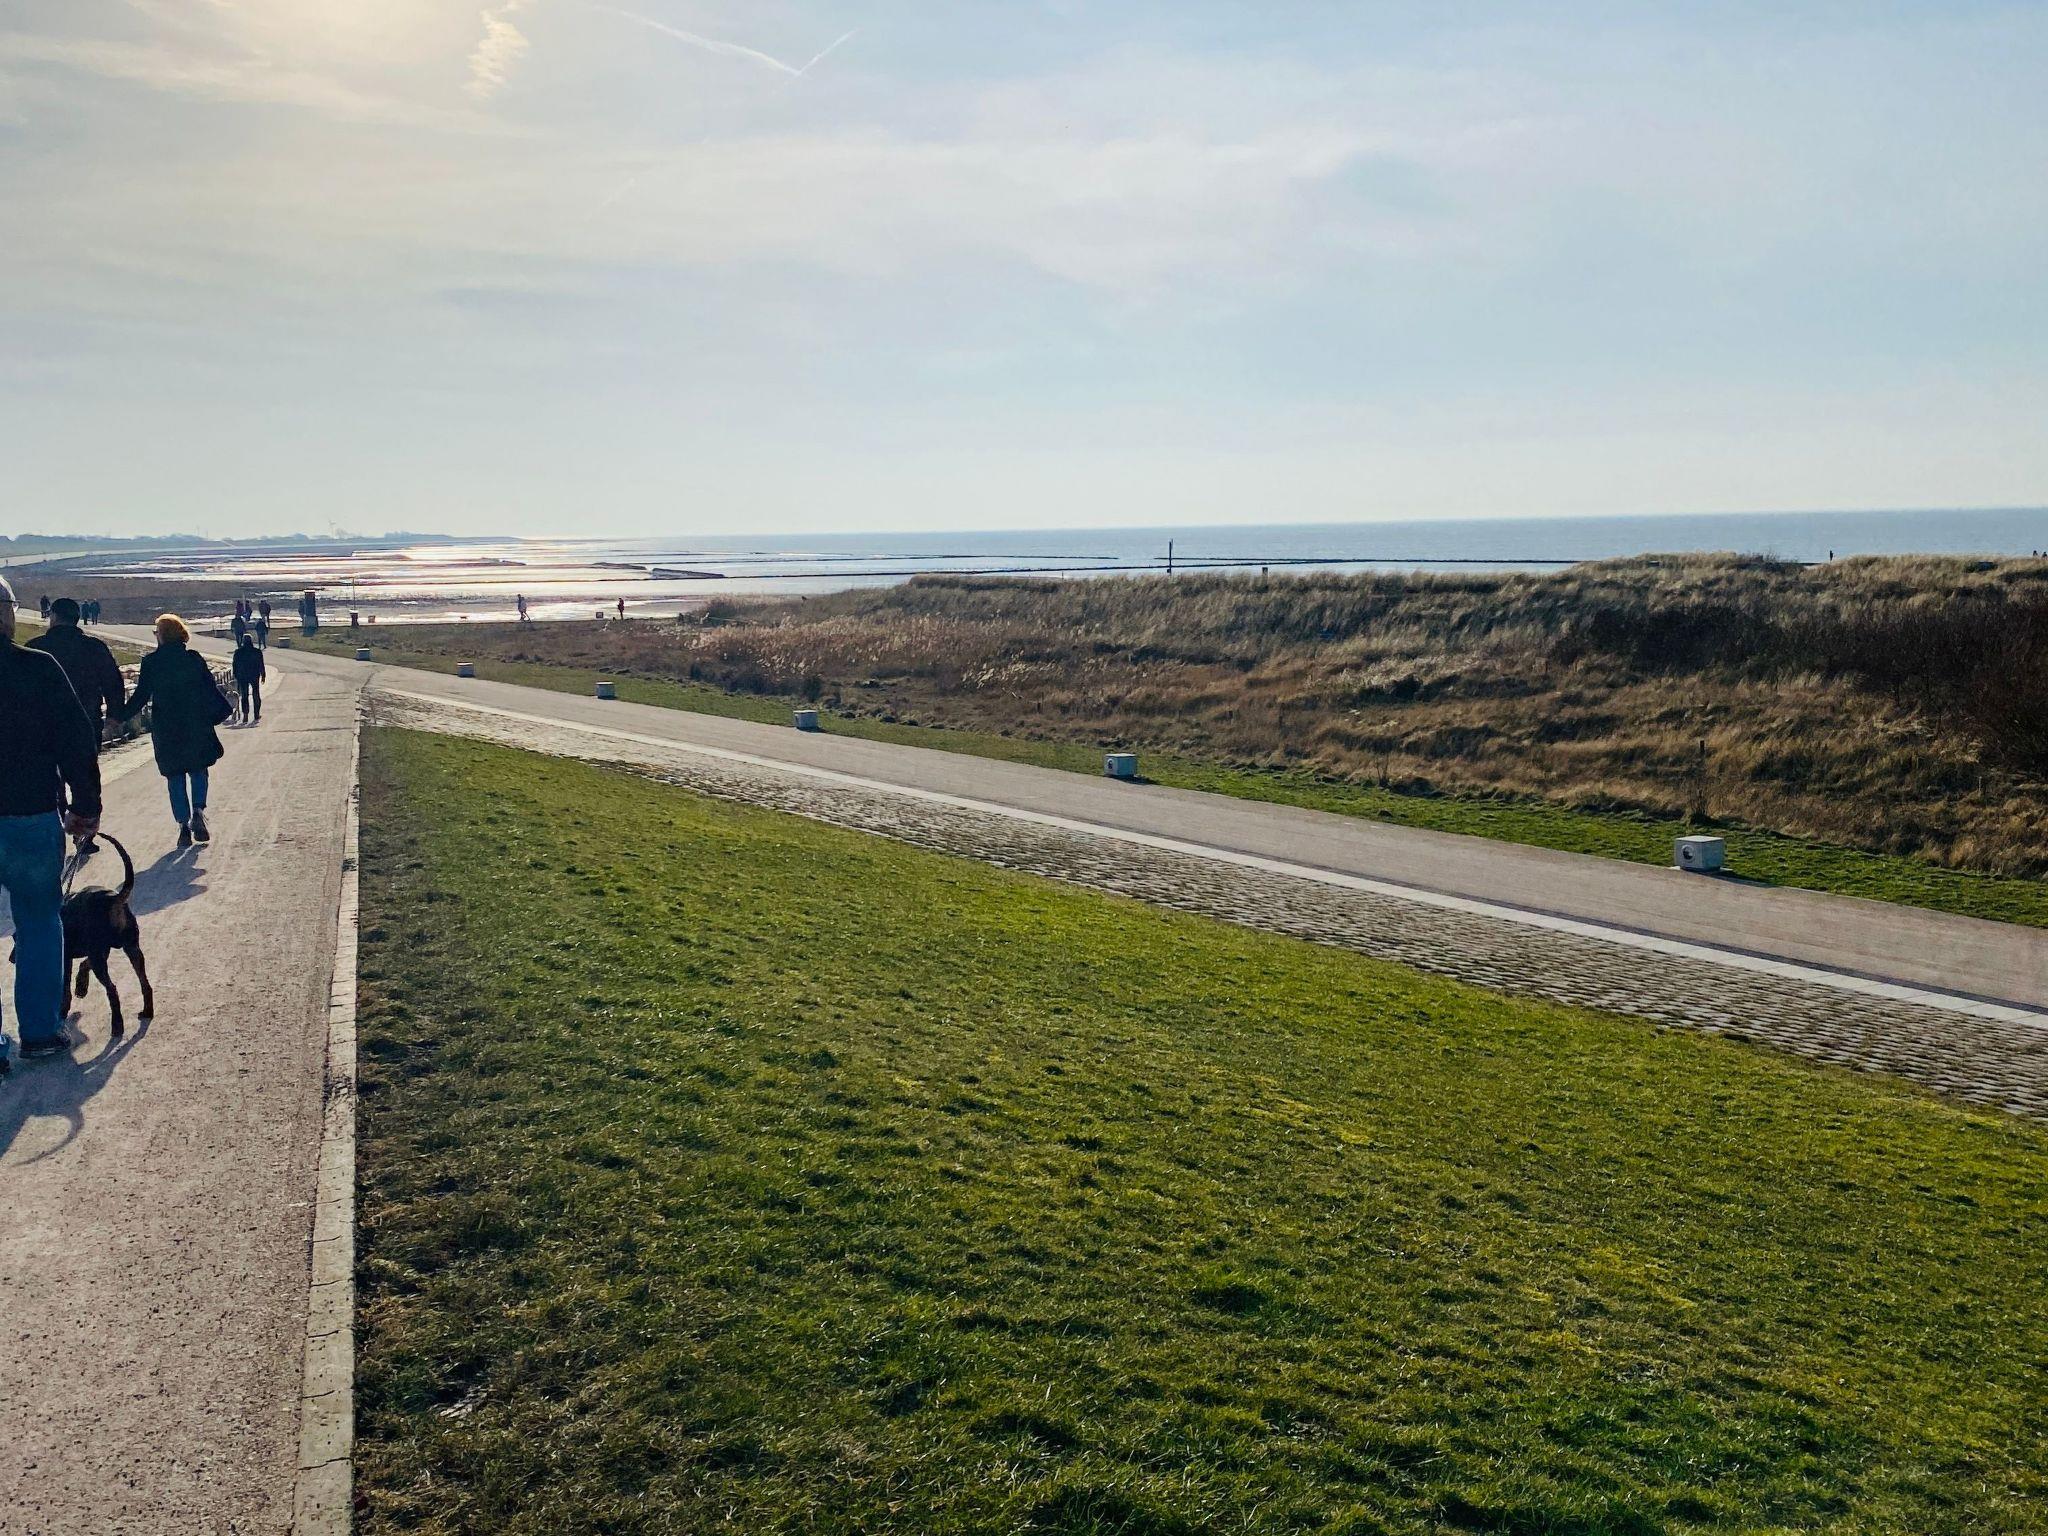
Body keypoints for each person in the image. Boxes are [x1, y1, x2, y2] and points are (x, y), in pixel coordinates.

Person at [0, 575, 102, 1070]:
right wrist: (85, 806)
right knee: (39, 921)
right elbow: (76, 741)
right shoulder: (37, 668)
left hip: (32, 816)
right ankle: (40, 1031)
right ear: (8, 615)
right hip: (31, 815)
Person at [116, 614, 227, 847]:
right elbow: (209, 688)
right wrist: (220, 711)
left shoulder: (151, 662)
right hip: (195, 723)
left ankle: (183, 826)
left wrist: (119, 717)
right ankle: (198, 811)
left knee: (174, 775)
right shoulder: (193, 659)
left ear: (162, 635)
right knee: (198, 770)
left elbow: (140, 696)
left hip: (166, 727)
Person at [232, 631, 266, 724]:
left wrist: (235, 675)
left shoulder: (238, 652)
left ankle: (245, 715)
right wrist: (263, 675)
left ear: (243, 641)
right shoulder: (257, 652)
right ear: (251, 641)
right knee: (256, 694)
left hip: (242, 676)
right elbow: (261, 664)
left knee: (244, 695)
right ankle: (256, 714)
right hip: (254, 675)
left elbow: (234, 665)